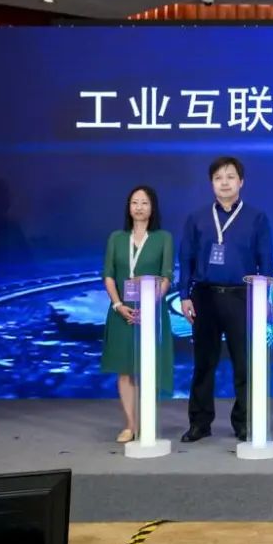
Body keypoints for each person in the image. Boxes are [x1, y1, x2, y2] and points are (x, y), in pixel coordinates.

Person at [179, 157, 273, 443]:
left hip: (241, 297)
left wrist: (264, 298)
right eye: (219, 178)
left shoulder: (257, 218)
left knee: (244, 364)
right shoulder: (197, 218)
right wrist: (184, 295)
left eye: (230, 177)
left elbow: (265, 261)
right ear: (211, 183)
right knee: (203, 364)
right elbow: (186, 258)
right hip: (205, 296)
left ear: (241, 182)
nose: (225, 182)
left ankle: (243, 422)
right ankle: (200, 423)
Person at [100, 185, 174, 443]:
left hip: (151, 313)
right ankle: (130, 425)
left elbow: (167, 276)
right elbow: (108, 275)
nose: (139, 207)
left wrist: (150, 304)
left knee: (148, 367)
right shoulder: (116, 238)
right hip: (121, 312)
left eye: (144, 202)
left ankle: (147, 422)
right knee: (125, 370)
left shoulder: (163, 238)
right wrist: (118, 305)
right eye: (134, 202)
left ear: (152, 208)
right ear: (128, 207)